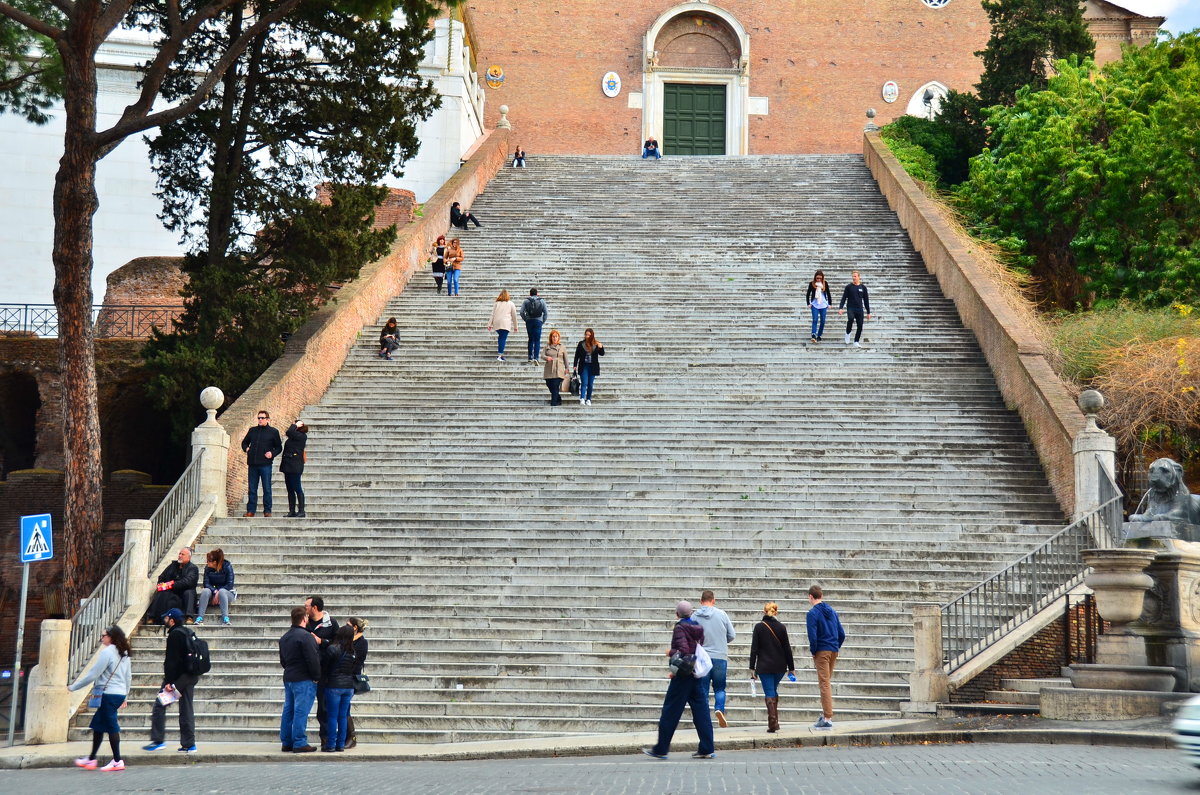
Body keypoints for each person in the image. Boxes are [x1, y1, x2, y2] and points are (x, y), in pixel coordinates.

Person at [641, 601, 715, 760]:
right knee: (701, 711)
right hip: (695, 674)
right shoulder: (697, 627)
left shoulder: (680, 628)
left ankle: (661, 748)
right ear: (692, 612)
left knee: (670, 712)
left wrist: (670, 652)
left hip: (683, 677)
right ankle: (707, 747)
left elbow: (683, 651)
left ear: (677, 614)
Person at [68, 625, 132, 771]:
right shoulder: (124, 653)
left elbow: (93, 674)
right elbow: (128, 676)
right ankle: (91, 759)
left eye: (103, 635)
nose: (101, 638)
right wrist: (125, 695)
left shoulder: (107, 653)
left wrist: (73, 687)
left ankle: (117, 760)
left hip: (108, 694)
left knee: (111, 727)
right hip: (119, 693)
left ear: (111, 637)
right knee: (98, 725)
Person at [144, 608, 198, 753]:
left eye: (166, 618)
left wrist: (169, 682)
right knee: (186, 709)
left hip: (178, 679)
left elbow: (171, 661)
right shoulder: (188, 632)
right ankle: (189, 744)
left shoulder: (174, 634)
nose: (165, 621)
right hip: (191, 676)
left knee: (160, 705)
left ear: (172, 620)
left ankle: (158, 740)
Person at [748, 601, 795, 734]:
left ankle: (772, 723)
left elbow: (754, 650)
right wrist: (791, 668)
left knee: (769, 692)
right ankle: (776, 722)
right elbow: (787, 649)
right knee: (772, 691)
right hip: (780, 667)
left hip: (764, 667)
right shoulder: (782, 627)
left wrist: (752, 667)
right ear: (776, 613)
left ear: (764, 612)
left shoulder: (759, 627)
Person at [278, 605, 321, 754]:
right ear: (304, 619)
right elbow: (312, 658)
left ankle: (286, 741)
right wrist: (316, 677)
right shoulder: (306, 636)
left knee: (288, 710)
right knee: (300, 711)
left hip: (289, 676)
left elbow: (283, 660)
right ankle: (299, 742)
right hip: (303, 678)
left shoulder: (285, 637)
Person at [692, 590, 736, 728]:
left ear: (701, 601)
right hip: (720, 657)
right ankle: (719, 709)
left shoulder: (694, 616)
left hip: (702, 659)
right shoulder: (722, 614)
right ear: (713, 600)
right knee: (719, 688)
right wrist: (721, 642)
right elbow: (732, 635)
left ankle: (703, 718)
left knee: (703, 689)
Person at [806, 585, 846, 730]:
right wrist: (836, 646)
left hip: (822, 650)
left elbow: (812, 636)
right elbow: (842, 634)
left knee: (824, 683)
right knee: (826, 681)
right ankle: (826, 715)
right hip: (833, 649)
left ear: (811, 597)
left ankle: (827, 718)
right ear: (821, 596)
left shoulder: (812, 614)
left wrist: (813, 651)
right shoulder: (832, 612)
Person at [305, 596, 339, 747]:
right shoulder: (304, 622)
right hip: (306, 670)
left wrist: (321, 642)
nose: (304, 608)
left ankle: (325, 738)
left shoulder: (331, 623)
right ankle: (297, 739)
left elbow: (339, 645)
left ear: (315, 607)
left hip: (325, 671)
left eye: (307, 606)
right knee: (300, 707)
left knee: (324, 707)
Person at [321, 624, 358, 752]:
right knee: (343, 716)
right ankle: (340, 744)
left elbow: (324, 666)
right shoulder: (352, 651)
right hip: (348, 687)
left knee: (332, 716)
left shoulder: (333, 649)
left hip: (333, 685)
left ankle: (330, 744)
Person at [242, 409, 282, 517]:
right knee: (252, 488)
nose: (260, 420)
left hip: (265, 464)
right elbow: (244, 442)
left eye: (262, 418)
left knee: (267, 488)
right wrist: (246, 449)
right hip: (253, 464)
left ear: (267, 419)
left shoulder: (273, 431)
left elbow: (279, 447)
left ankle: (267, 511)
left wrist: (272, 454)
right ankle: (251, 511)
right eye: (258, 418)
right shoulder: (252, 430)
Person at [146, 547, 199, 623]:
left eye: (182, 554)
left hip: (183, 591)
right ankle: (153, 617)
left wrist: (171, 584)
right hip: (171, 591)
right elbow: (162, 576)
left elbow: (188, 582)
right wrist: (161, 583)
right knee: (161, 593)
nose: (180, 556)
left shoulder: (193, 568)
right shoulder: (173, 565)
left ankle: (189, 617)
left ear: (189, 557)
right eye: (179, 554)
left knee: (189, 592)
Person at [344, 617, 370, 749]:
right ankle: (345, 736)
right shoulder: (347, 639)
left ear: (355, 627)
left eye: (348, 625)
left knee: (345, 708)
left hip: (351, 678)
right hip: (342, 677)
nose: (345, 626)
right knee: (343, 708)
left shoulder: (361, 642)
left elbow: (357, 661)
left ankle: (351, 737)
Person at [196, 548, 236, 625]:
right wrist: (215, 591)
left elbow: (230, 584)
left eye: (208, 561)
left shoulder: (227, 567)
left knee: (222, 592)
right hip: (213, 592)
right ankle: (200, 617)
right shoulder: (207, 569)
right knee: (205, 590)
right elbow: (206, 583)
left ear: (214, 562)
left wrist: (219, 592)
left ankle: (225, 618)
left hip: (227, 593)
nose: (207, 563)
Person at [837, 270, 872, 348]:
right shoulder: (849, 287)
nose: (854, 278)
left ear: (859, 277)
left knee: (860, 326)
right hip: (850, 308)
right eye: (853, 276)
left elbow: (866, 300)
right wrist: (841, 308)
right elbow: (843, 298)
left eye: (855, 276)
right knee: (851, 319)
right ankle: (848, 333)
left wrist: (868, 312)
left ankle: (856, 341)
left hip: (859, 309)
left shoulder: (863, 287)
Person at [281, 420, 308, 518]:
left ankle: (301, 510)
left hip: (295, 466)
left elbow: (288, 432)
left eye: (296, 425)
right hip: (287, 465)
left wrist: (294, 425)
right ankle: (291, 511)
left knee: (297, 487)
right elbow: (290, 433)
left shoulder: (302, 436)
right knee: (290, 489)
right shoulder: (292, 437)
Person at [572, 327, 605, 406]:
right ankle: (582, 398)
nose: (587, 336)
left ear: (592, 335)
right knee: (584, 382)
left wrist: (601, 347)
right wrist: (575, 365)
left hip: (593, 366)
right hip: (584, 366)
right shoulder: (581, 344)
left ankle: (589, 399)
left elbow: (602, 353)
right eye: (586, 334)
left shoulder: (596, 344)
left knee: (590, 384)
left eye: (589, 335)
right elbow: (577, 355)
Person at [488, 289, 519, 362]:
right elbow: (514, 316)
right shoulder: (511, 303)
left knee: (501, 337)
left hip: (497, 323)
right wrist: (515, 326)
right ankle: (500, 355)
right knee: (503, 338)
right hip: (505, 323)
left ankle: (500, 353)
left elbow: (492, 314)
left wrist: (489, 324)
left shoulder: (497, 303)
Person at [541, 329, 570, 406]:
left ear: (558, 337)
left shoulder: (562, 347)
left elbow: (565, 358)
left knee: (555, 385)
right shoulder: (547, 346)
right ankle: (558, 398)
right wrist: (547, 357)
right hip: (549, 368)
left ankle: (553, 403)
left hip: (558, 368)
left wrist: (567, 368)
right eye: (553, 336)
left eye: (556, 336)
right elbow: (542, 355)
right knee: (549, 384)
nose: (554, 338)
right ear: (551, 337)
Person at [520, 288, 548, 363]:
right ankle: (536, 358)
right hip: (538, 321)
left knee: (530, 339)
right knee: (537, 340)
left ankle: (530, 357)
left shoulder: (526, 301)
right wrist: (542, 321)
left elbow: (521, 312)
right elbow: (546, 313)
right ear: (537, 293)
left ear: (530, 293)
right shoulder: (541, 301)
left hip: (529, 321)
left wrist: (526, 319)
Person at [805, 270, 832, 343]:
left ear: (822, 278)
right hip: (815, 304)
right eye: (817, 278)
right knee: (815, 319)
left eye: (820, 278)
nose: (819, 280)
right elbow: (808, 294)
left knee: (823, 321)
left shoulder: (825, 283)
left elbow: (829, 294)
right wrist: (808, 303)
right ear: (815, 278)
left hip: (823, 304)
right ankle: (813, 334)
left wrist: (830, 304)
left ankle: (819, 335)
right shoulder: (812, 284)